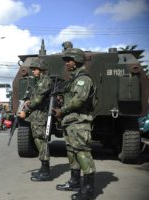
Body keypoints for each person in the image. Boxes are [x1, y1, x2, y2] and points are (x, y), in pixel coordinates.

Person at [53, 48, 96, 200]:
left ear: (77, 61)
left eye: (69, 61)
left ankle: (89, 189)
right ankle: (75, 181)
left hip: (79, 122)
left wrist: (62, 110)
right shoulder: (74, 79)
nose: (67, 64)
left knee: (82, 152)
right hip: (70, 122)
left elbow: (79, 100)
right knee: (71, 152)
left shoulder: (83, 79)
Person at [18, 58, 53, 181]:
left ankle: (46, 171)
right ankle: (44, 169)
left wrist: (26, 110)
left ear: (41, 69)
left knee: (41, 141)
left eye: (35, 69)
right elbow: (36, 98)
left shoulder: (45, 81)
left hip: (40, 116)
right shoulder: (41, 81)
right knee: (38, 140)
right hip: (36, 115)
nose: (33, 71)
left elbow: (38, 100)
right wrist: (29, 102)